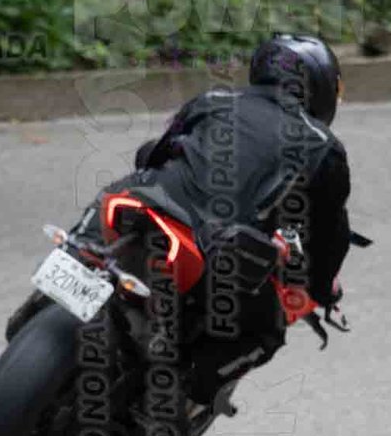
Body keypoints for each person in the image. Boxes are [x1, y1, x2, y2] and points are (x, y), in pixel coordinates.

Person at [52, 33, 354, 408]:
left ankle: (60, 275)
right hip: (214, 248)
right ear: (322, 87)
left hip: (146, 207)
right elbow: (327, 237)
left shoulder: (213, 100)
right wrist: (320, 288)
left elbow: (157, 153)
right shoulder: (324, 146)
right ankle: (178, 394)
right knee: (266, 329)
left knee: (107, 211)